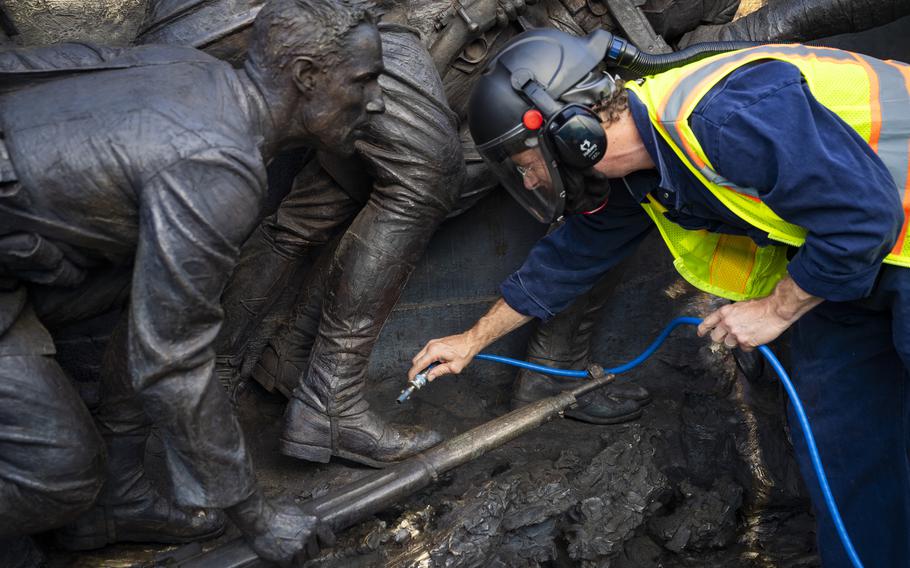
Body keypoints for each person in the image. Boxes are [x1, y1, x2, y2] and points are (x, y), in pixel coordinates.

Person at [409, 28, 910, 567]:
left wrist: (775, 309)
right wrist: (470, 341)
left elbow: (861, 220)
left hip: (869, 239)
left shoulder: (722, 117)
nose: (530, 182)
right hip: (841, 267)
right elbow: (566, 260)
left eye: (525, 164)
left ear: (572, 130)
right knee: (844, 445)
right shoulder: (642, 175)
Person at [0, 0, 381, 565]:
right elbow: (174, 362)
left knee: (160, 295)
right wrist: (257, 516)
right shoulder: (216, 166)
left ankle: (117, 502)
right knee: (58, 475)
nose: (375, 102)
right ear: (306, 76)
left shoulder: (197, 74)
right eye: (364, 81)